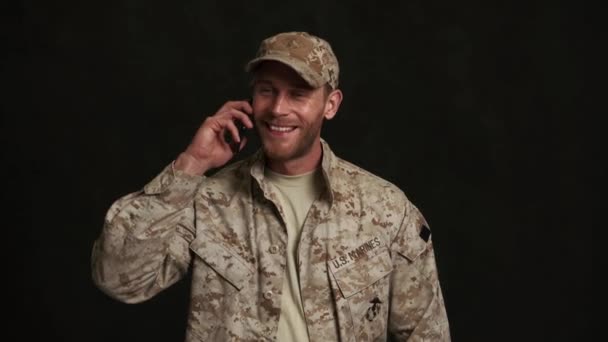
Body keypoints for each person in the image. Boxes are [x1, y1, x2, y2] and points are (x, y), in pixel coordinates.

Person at [91, 31, 451, 341]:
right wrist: (192, 164)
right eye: (267, 90)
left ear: (330, 104)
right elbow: (119, 278)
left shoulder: (386, 209)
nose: (278, 108)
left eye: (298, 94)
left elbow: (426, 333)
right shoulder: (209, 201)